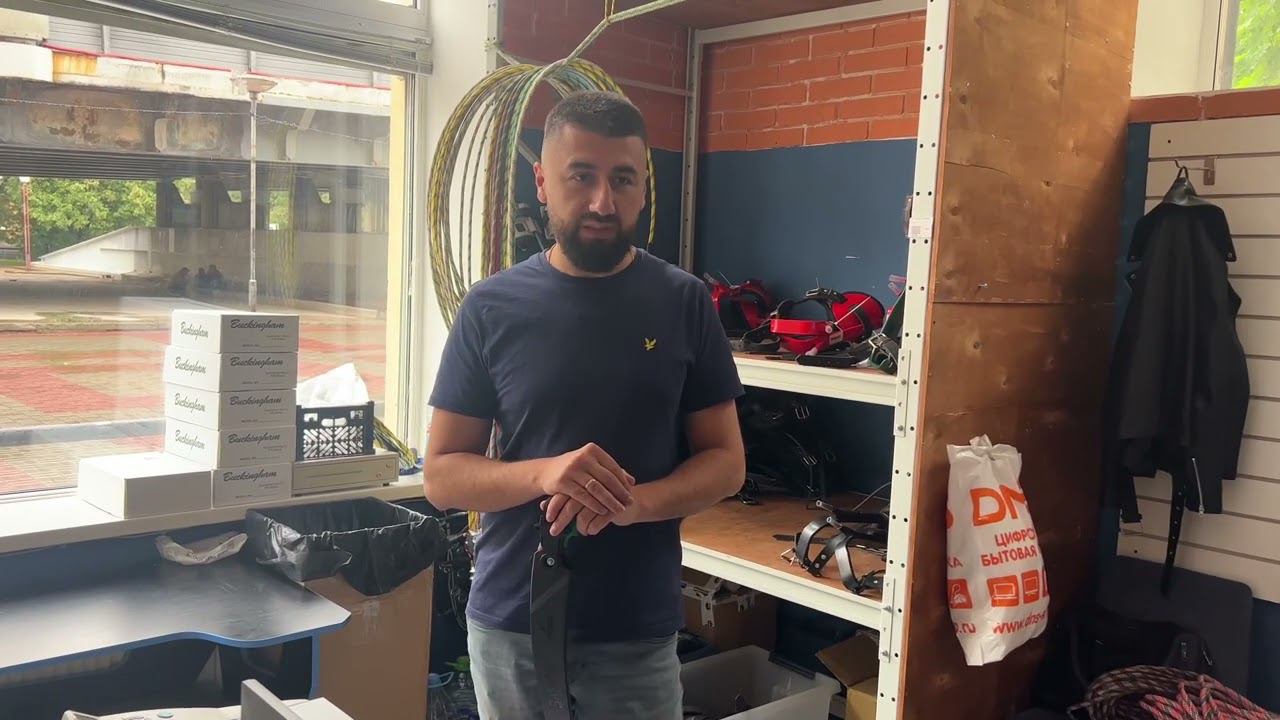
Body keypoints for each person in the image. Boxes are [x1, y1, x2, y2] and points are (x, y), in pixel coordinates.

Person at [424, 91, 746, 719]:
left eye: (622, 179)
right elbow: (441, 476)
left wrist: (634, 504)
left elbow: (726, 462)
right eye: (581, 176)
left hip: (635, 626)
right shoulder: (490, 308)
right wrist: (546, 473)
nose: (603, 202)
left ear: (643, 188)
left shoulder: (684, 302)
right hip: (512, 622)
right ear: (543, 183)